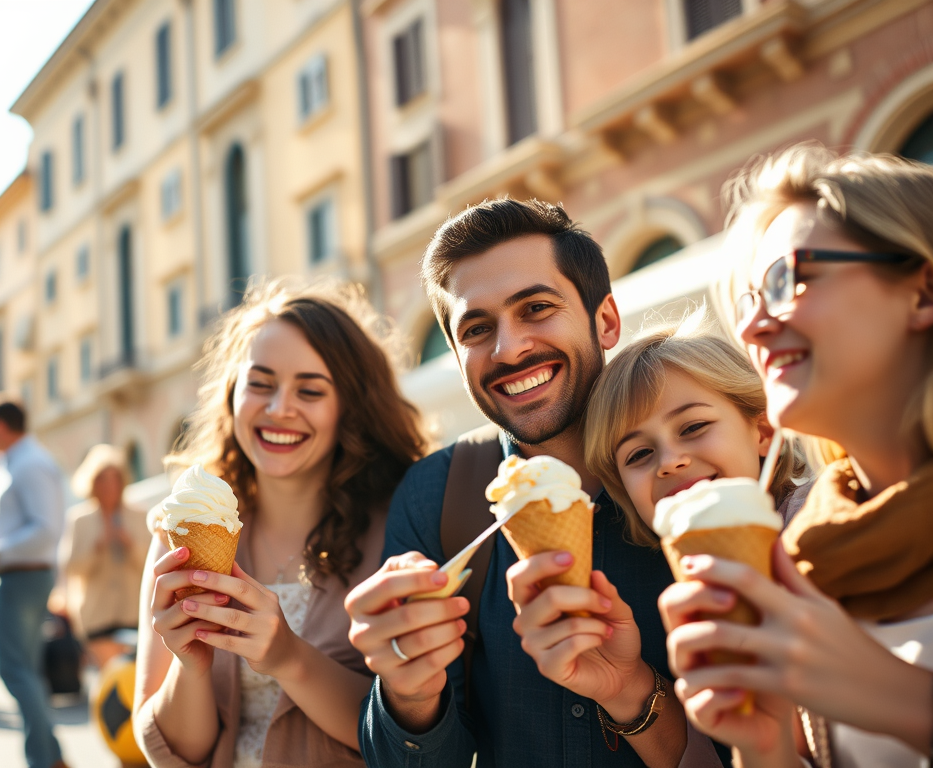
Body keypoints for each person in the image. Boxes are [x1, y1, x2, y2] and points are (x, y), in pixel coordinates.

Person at [345, 198, 723, 767]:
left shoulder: (697, 472)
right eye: (476, 328)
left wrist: (634, 692)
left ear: (606, 321)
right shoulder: (436, 495)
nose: (509, 348)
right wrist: (409, 695)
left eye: (537, 308)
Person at [659, 145, 933, 767]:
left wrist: (902, 700)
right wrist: (766, 746)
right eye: (748, 298)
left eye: (786, 280)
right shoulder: (805, 565)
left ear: (923, 291)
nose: (752, 327)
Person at [132, 279, 427, 768]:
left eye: (310, 390)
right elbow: (176, 752)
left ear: (349, 406)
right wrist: (192, 667)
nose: (278, 409)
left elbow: (411, 735)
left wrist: (289, 658)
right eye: (260, 384)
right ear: (231, 394)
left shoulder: (399, 528)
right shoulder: (179, 527)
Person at [583, 315, 810, 546]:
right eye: (639, 454)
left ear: (763, 432)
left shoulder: (820, 519)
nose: (669, 462)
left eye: (693, 428)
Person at [0, 397, 69, 768]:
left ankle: (42, 759)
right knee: (25, 670)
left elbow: (46, 529)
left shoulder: (30, 464)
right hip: (15, 575)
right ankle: (51, 756)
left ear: (1, 426)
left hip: (22, 577)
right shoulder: (13, 462)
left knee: (14, 670)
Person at [60, 444, 151, 669]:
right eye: (103, 479)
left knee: (132, 677)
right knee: (109, 676)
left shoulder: (140, 515)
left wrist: (131, 544)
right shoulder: (79, 519)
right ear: (92, 483)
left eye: (114, 479)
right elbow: (70, 567)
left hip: (134, 611)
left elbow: (152, 564)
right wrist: (97, 548)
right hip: (97, 612)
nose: (109, 485)